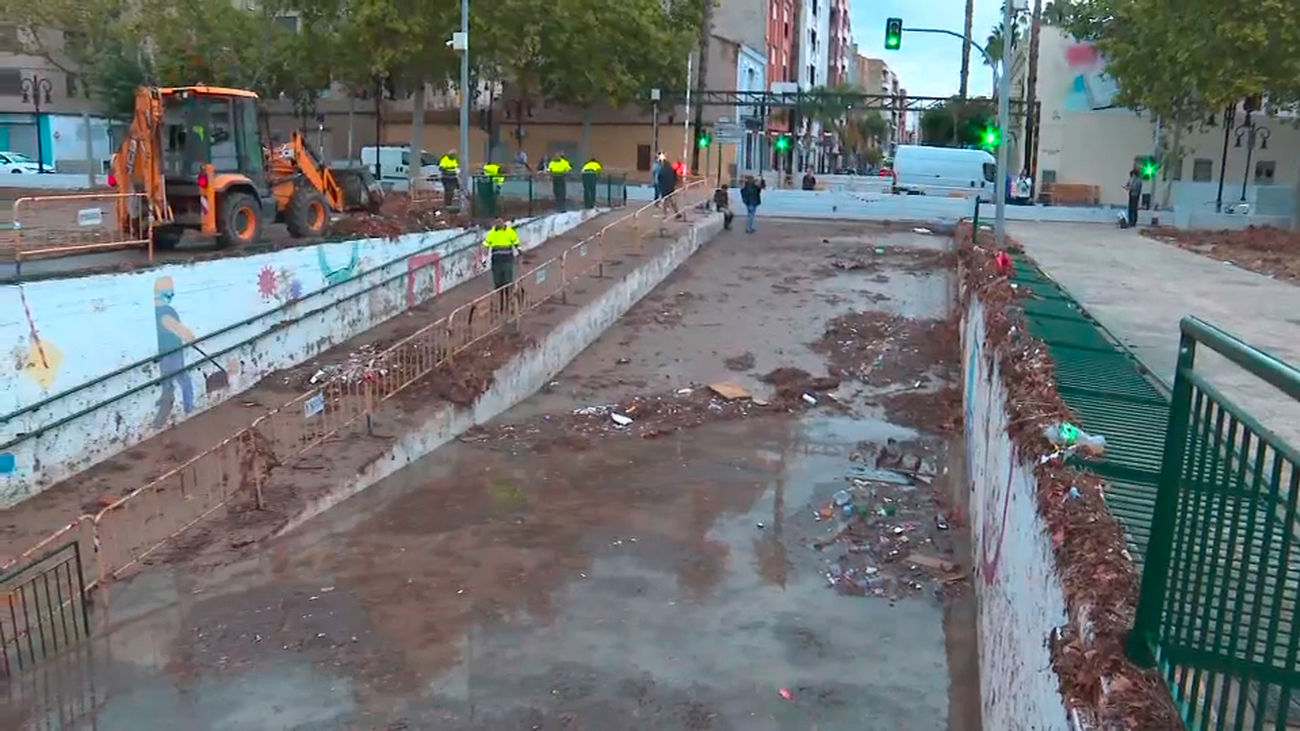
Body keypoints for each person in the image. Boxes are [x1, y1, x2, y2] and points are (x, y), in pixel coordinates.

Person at [153, 275, 196, 428]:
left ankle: (166, 405)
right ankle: (188, 405)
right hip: (173, 351)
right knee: (183, 379)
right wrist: (190, 337)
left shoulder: (156, 311)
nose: (171, 294)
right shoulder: (166, 311)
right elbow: (176, 328)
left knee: (168, 380)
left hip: (163, 352)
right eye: (169, 291)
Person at [482, 218, 521, 314]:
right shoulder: (492, 234)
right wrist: (484, 258)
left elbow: (516, 243)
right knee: (498, 284)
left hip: (507, 261)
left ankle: (509, 303)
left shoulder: (510, 232)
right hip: (496, 262)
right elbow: (485, 246)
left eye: (500, 222)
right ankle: (501, 305)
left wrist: (520, 251)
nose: (499, 224)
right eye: (497, 223)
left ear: (504, 223)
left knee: (508, 282)